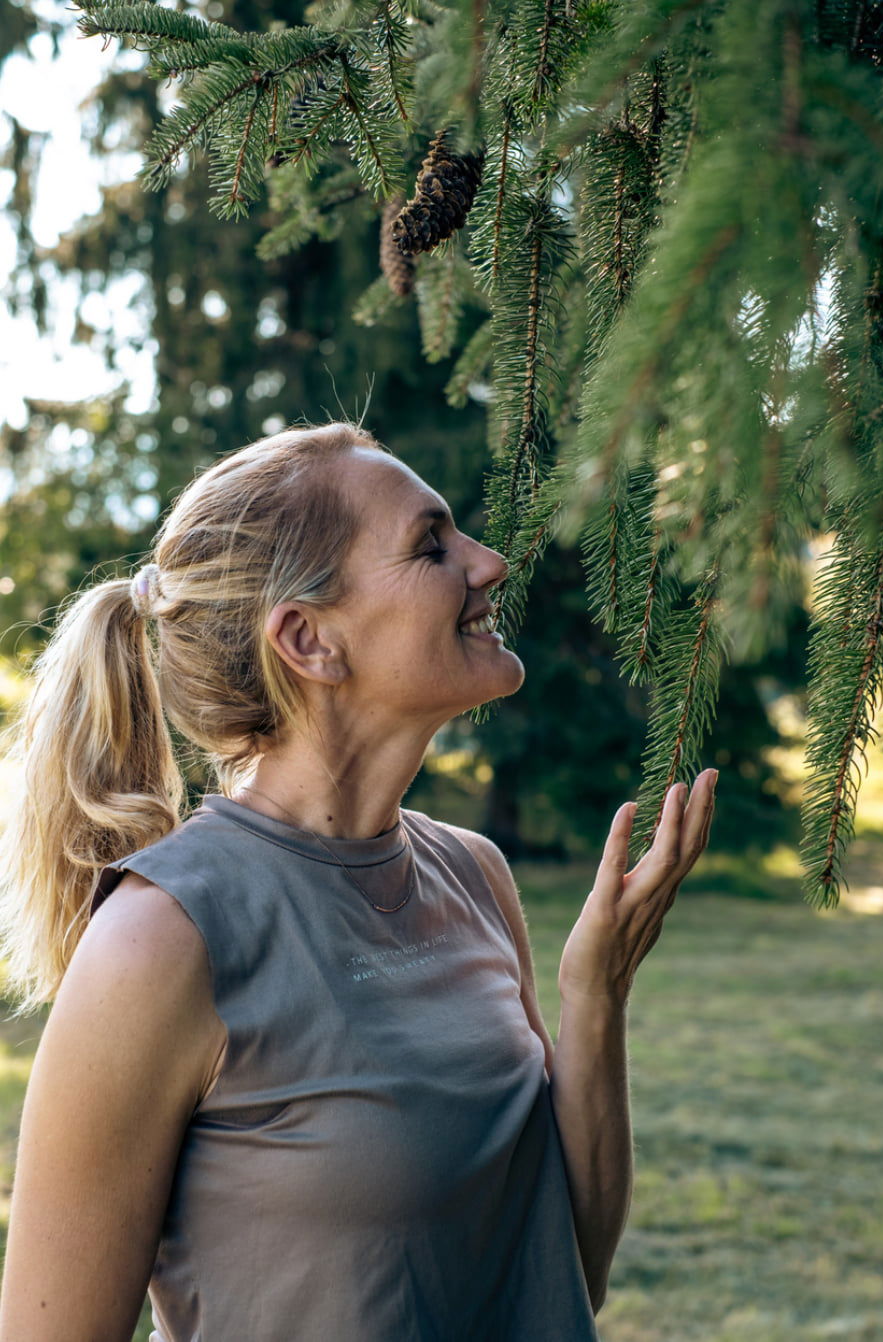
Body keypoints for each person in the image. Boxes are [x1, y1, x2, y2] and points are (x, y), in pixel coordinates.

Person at [0, 421, 716, 1341]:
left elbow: (569, 1264)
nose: (489, 564)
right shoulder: (164, 935)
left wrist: (598, 992)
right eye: (432, 545)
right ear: (308, 640)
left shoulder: (474, 874)